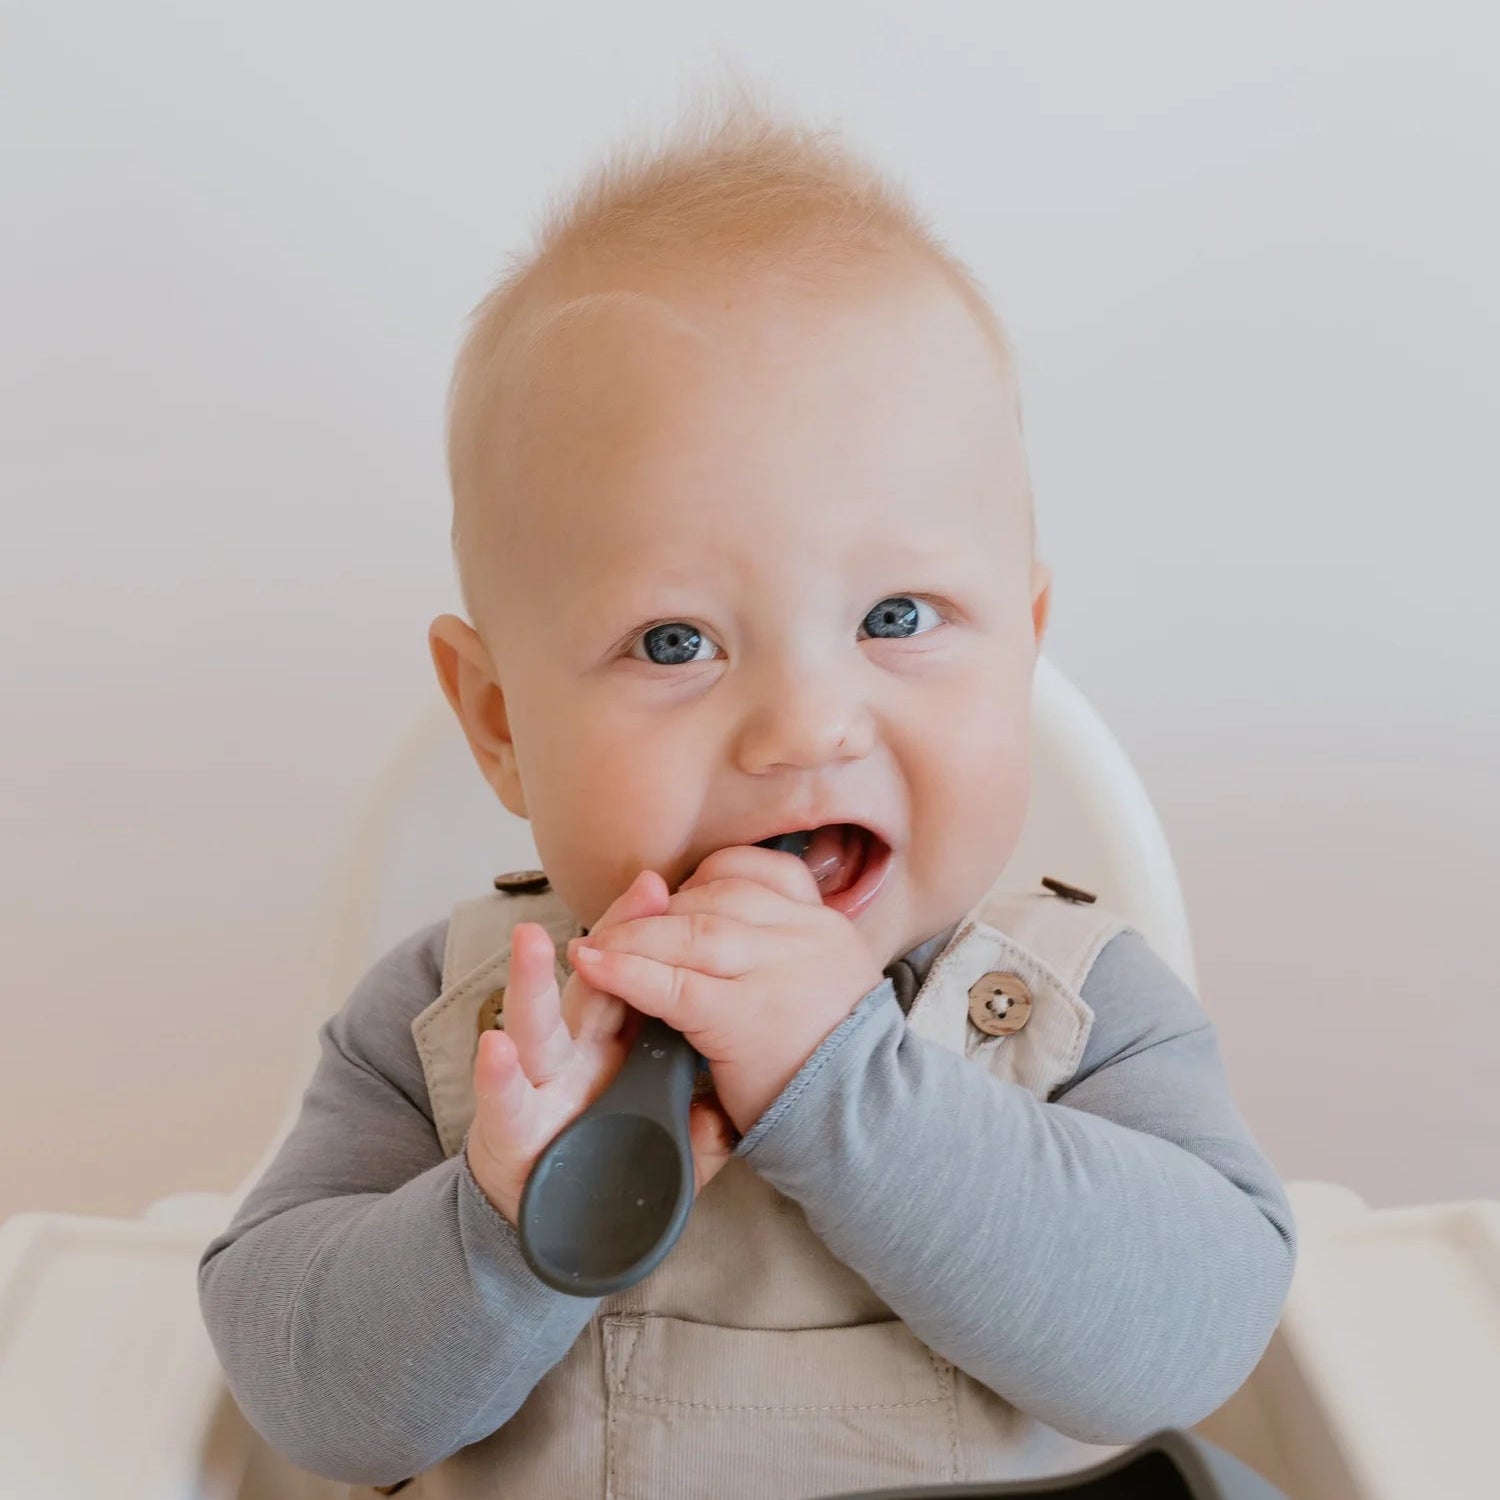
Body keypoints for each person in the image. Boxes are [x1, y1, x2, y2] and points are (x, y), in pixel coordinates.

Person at [197, 80, 1296, 1499]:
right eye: (675, 642)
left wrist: (847, 1084)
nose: (804, 727)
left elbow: (1192, 1337)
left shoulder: (1078, 1010)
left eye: (897, 617)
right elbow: (305, 1399)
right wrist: (494, 1226)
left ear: (1022, 649)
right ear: (500, 719)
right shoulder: (457, 1025)